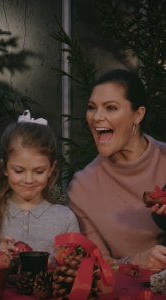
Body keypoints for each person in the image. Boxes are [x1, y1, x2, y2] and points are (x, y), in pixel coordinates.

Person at [67, 69, 166, 272]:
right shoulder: (82, 188)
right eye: (92, 108)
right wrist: (136, 261)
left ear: (137, 115)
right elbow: (96, 267)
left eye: (111, 107)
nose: (97, 117)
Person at [0, 110, 80, 256]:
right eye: (19, 171)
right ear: (5, 167)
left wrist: (53, 265)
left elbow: (75, 266)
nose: (29, 180)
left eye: (39, 172)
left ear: (51, 169)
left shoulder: (65, 219)